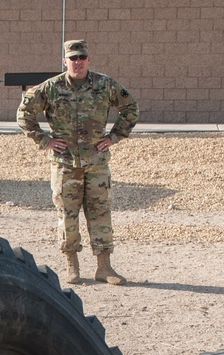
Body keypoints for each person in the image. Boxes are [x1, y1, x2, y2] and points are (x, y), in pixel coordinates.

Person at [17, 39, 139, 286]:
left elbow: (130, 108)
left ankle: (104, 267)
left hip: (96, 162)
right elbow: (24, 114)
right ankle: (72, 266)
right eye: (73, 58)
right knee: (67, 215)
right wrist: (45, 141)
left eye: (82, 57)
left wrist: (114, 137)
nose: (78, 62)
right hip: (65, 163)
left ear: (89, 59)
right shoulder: (50, 88)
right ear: (65, 61)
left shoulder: (105, 84)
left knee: (100, 213)